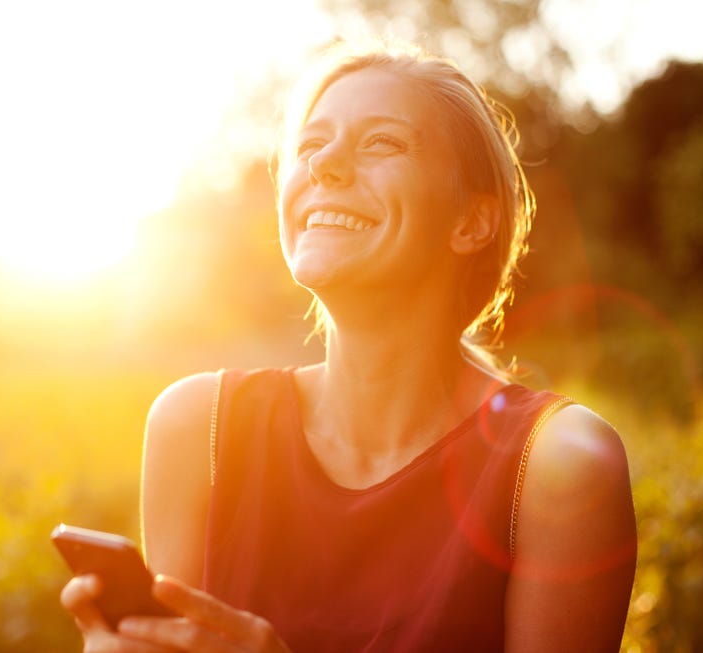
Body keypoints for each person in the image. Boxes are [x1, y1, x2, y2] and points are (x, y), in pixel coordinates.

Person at [62, 39, 637, 652]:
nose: (323, 167)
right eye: (309, 146)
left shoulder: (559, 466)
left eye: (380, 143)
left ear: (471, 221)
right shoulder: (196, 428)